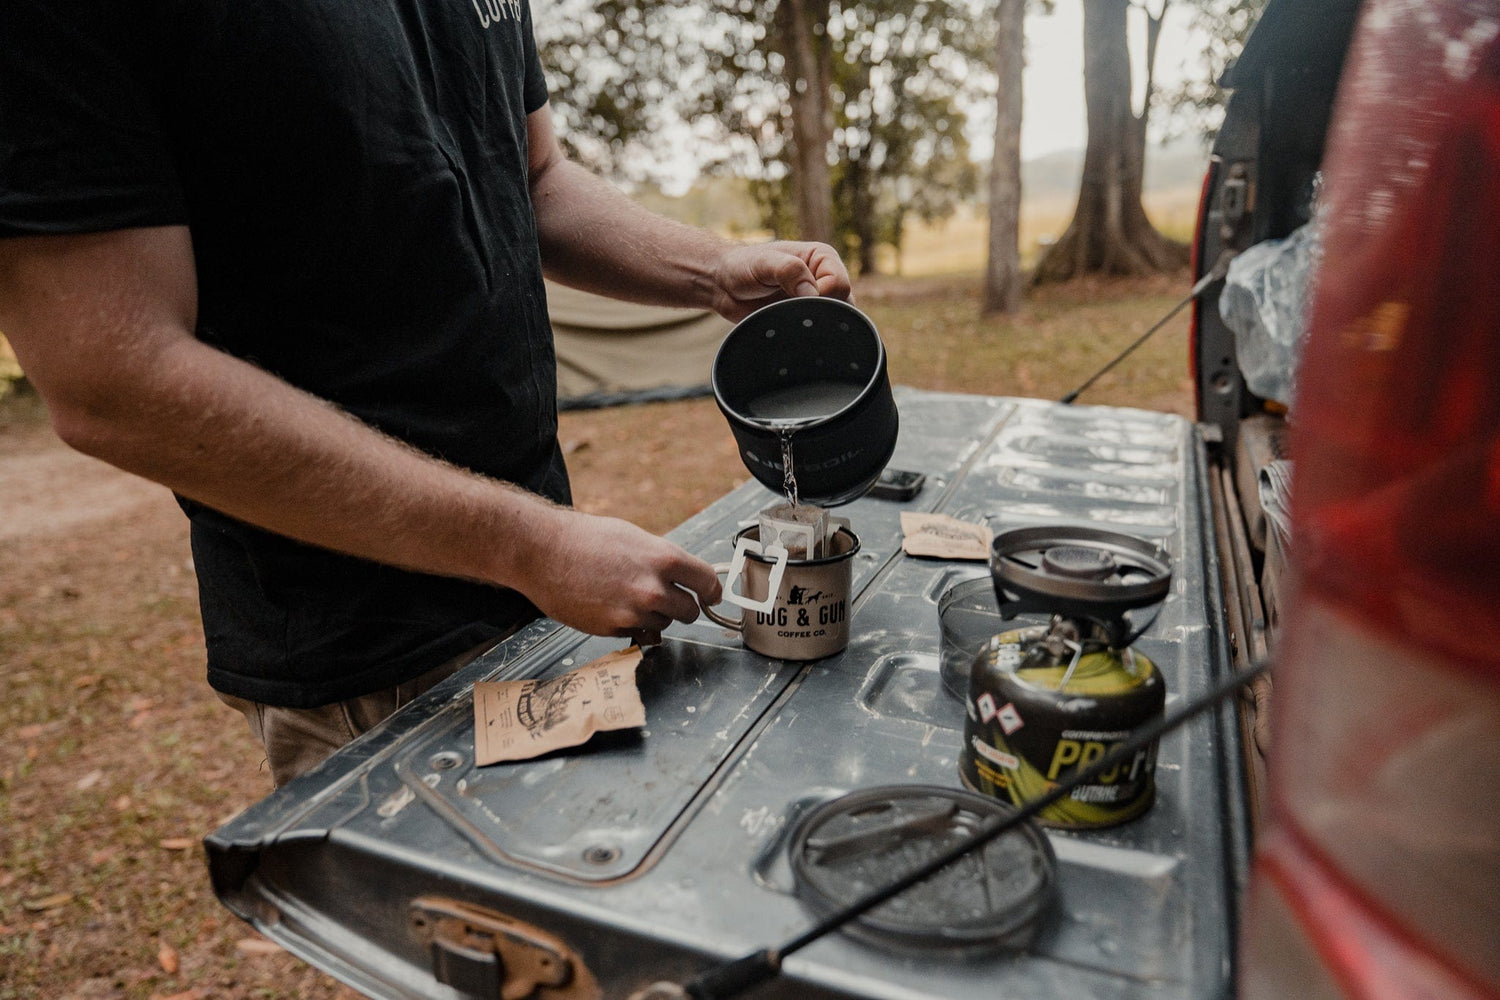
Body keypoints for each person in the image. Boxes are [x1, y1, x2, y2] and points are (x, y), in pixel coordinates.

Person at [0, 0, 851, 786]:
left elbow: (536, 175)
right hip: (364, 651)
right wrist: (531, 546)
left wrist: (713, 271)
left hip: (540, 580)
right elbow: (114, 381)